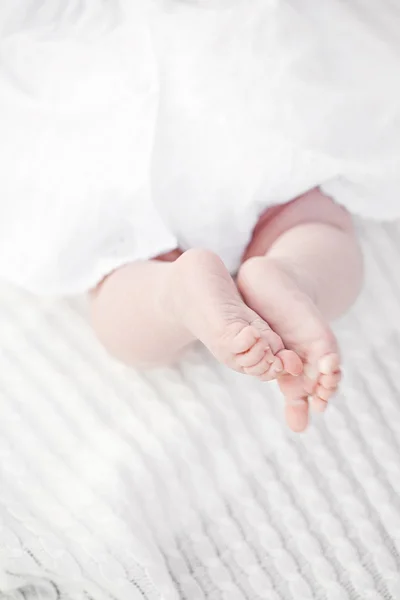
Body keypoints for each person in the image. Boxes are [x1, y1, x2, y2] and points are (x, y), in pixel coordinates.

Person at [1, 0, 399, 431]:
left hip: (83, 101)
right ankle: (292, 274)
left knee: (121, 302)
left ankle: (173, 291)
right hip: (231, 69)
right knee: (311, 221)